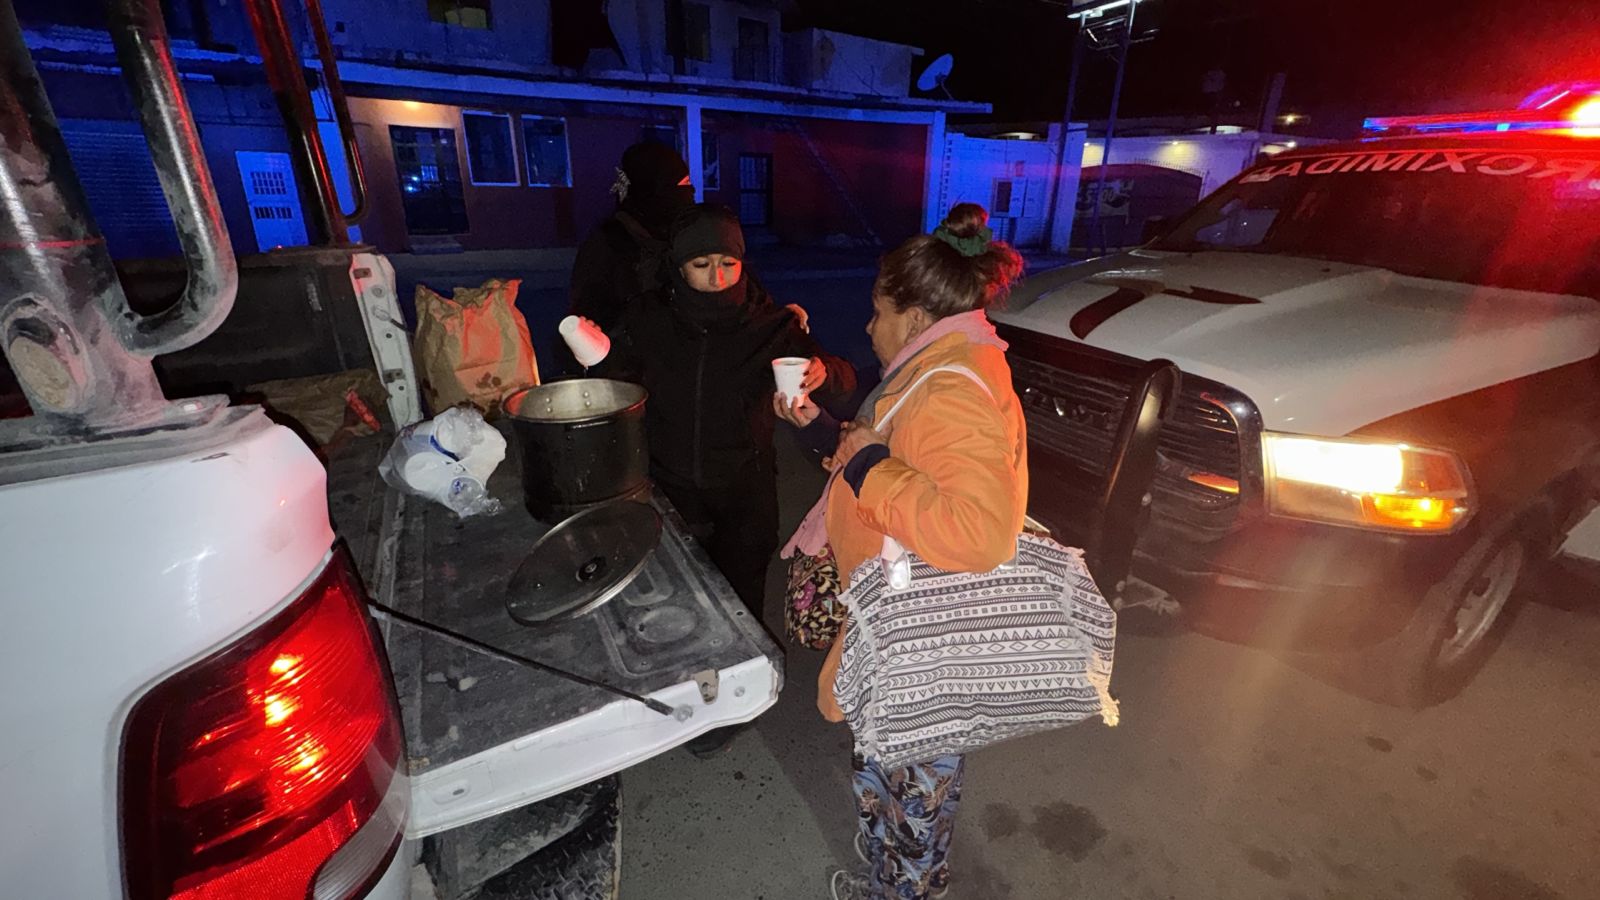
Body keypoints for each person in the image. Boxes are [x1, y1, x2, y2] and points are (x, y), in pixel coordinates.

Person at [775, 203, 1026, 900]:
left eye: (877, 312)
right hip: (908, 618)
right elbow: (891, 455)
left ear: (914, 318)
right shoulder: (937, 363)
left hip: (922, 637)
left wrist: (867, 466)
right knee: (911, 778)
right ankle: (908, 871)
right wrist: (822, 431)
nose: (867, 327)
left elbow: (980, 532)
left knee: (910, 779)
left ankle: (901, 887)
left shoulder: (949, 386)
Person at [593, 203, 856, 617]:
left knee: (743, 604)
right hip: (668, 484)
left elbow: (845, 384)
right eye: (701, 265)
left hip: (744, 491)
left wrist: (825, 373)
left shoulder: (772, 324)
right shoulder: (647, 318)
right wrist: (595, 352)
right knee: (675, 601)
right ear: (679, 267)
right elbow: (611, 383)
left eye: (728, 264)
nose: (717, 278)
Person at [568, 141, 695, 334]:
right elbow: (589, 319)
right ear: (653, 189)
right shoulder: (609, 245)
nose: (691, 192)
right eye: (683, 184)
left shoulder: (686, 235)